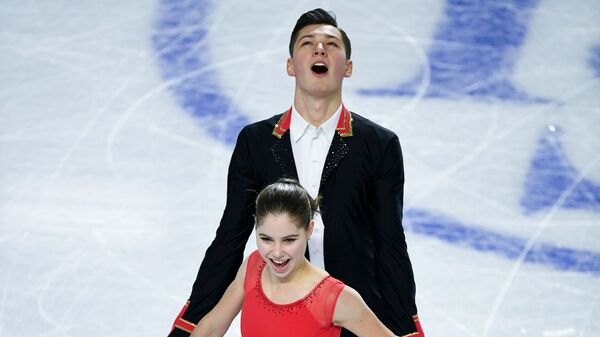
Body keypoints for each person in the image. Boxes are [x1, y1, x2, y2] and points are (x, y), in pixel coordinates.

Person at [169, 8, 425, 337]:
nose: (320, 49)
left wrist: (408, 327)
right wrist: (188, 324)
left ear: (347, 68)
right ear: (291, 66)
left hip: (353, 315)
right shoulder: (256, 142)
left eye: (331, 44)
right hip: (283, 314)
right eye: (307, 43)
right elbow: (230, 238)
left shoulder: (379, 145)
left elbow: (390, 243)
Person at [189, 179, 400, 337]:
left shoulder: (336, 297)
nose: (277, 252)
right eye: (266, 239)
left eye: (289, 240)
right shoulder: (253, 266)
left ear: (309, 230)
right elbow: (211, 328)